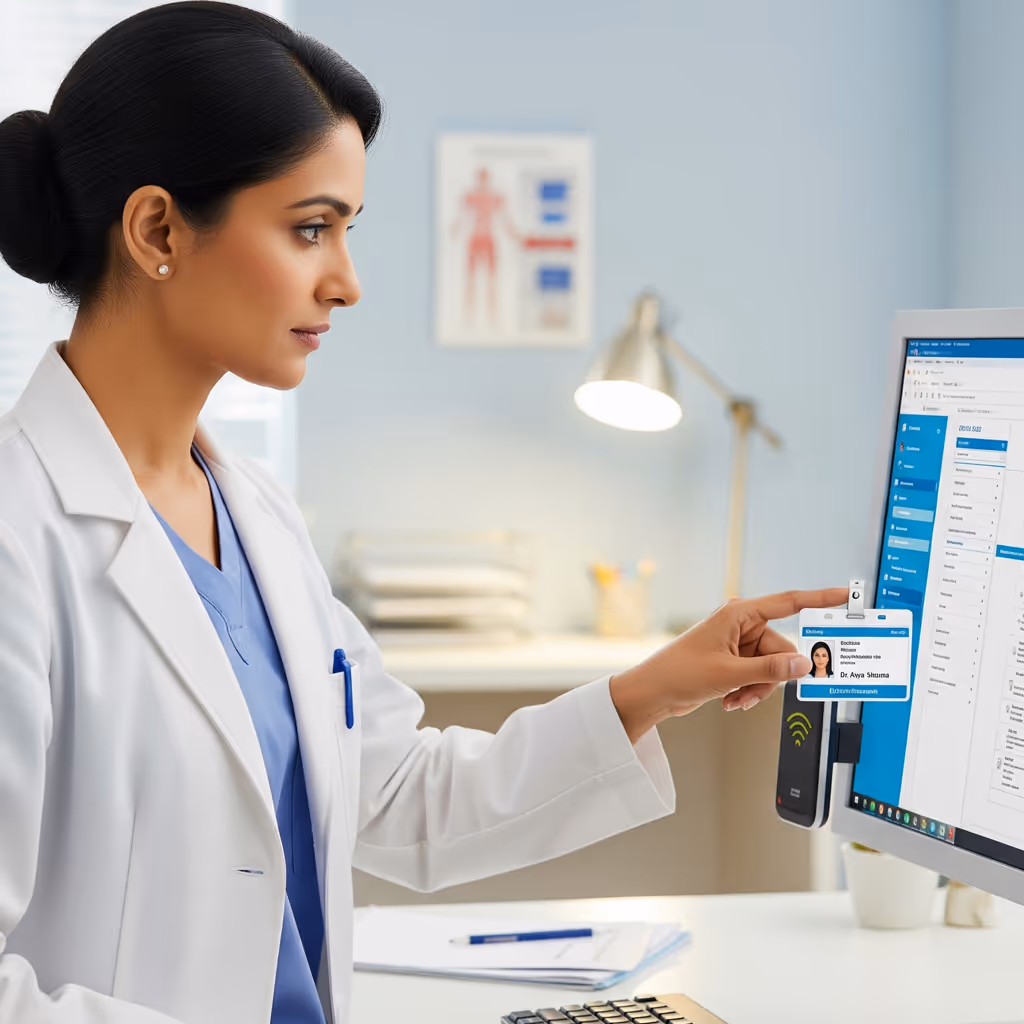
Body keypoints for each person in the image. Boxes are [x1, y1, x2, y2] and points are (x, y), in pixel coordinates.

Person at [0, 5, 847, 1023]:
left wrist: (651, 690)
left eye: (347, 231)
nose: (347, 282)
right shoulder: (20, 534)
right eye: (310, 227)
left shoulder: (252, 512)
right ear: (158, 229)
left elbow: (395, 798)